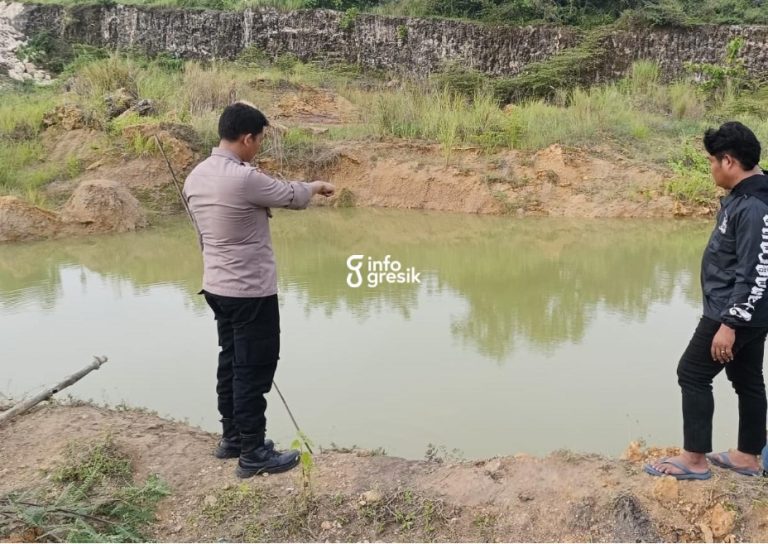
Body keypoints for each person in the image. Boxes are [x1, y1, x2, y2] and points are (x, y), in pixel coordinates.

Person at [183, 102, 335, 478]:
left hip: (217, 287)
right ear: (247, 138)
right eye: (260, 141)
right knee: (253, 368)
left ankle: (232, 438)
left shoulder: (196, 176)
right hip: (249, 291)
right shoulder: (242, 178)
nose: (259, 148)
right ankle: (253, 453)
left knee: (230, 360)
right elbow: (291, 196)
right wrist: (315, 186)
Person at [645, 121, 768, 480]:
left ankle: (694, 460)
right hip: (749, 311)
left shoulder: (755, 208)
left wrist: (729, 324)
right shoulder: (750, 198)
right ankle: (747, 456)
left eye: (713, 161)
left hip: (733, 312)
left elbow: (755, 271)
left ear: (728, 161)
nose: (711, 168)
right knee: (747, 378)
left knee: (693, 373)